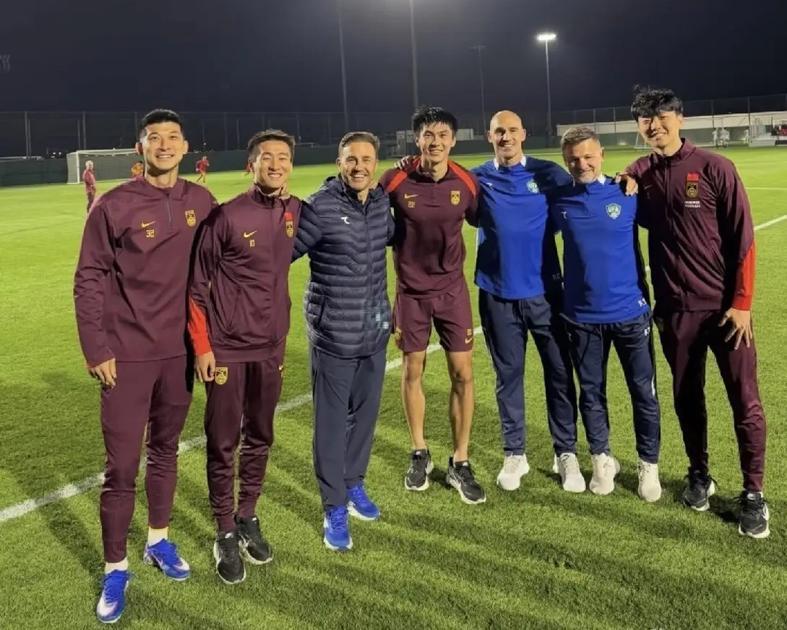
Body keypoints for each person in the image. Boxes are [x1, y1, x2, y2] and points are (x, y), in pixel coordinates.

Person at [74, 108, 217, 623]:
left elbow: (218, 270)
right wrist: (97, 348)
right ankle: (115, 567)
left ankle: (158, 539)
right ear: (140, 149)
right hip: (127, 356)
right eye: (154, 137)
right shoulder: (113, 205)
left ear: (185, 147)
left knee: (165, 452)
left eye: (173, 136)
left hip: (179, 354)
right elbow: (88, 278)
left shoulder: (202, 202)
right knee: (121, 467)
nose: (164, 144)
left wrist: (208, 343)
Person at [627, 87, 769, 538]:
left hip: (725, 312)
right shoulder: (643, 173)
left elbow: (744, 238)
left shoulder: (715, 167)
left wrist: (742, 303)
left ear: (680, 119)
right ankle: (699, 474)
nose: (655, 126)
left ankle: (753, 492)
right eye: (647, 120)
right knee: (687, 398)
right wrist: (628, 174)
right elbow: (630, 181)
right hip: (676, 312)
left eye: (662, 116)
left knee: (744, 401)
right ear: (639, 126)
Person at [188, 130, 301, 583]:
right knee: (222, 441)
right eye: (266, 157)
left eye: (283, 157)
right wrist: (203, 346)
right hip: (228, 351)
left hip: (270, 348)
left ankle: (247, 513)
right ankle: (224, 529)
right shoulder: (226, 216)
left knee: (261, 435)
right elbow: (196, 288)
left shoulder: (295, 211)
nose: (276, 164)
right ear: (250, 165)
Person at [548, 126, 661, 500]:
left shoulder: (627, 192)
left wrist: (632, 175)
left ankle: (648, 464)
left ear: (601, 155)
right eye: (573, 159)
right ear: (565, 161)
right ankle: (601, 460)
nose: (581, 164)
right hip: (581, 318)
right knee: (592, 394)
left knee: (643, 393)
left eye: (588, 156)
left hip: (630, 314)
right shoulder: (558, 201)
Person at [293, 131, 393, 551]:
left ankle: (353, 482)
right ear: (339, 163)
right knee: (332, 424)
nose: (359, 167)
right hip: (334, 333)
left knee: (364, 416)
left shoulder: (382, 202)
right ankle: (333, 504)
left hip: (374, 330)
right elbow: (281, 253)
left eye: (366, 160)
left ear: (375, 163)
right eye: (351, 159)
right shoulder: (319, 206)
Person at [471, 110, 581, 493]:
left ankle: (565, 451)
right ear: (489, 136)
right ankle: (514, 452)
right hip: (497, 294)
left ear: (524, 134)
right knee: (508, 378)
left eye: (512, 130)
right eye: (499, 131)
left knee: (559, 374)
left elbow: (587, 188)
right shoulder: (475, 178)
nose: (506, 137)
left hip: (546, 294)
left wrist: (627, 179)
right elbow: (438, 186)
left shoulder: (548, 174)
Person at [380, 106, 485, 505]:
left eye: (442, 135)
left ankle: (461, 459)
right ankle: (419, 452)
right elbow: (366, 209)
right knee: (412, 371)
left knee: (463, 374)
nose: (435, 141)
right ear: (417, 139)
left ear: (453, 140)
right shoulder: (395, 179)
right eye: (428, 134)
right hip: (411, 294)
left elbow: (480, 219)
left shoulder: (466, 181)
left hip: (452, 293)